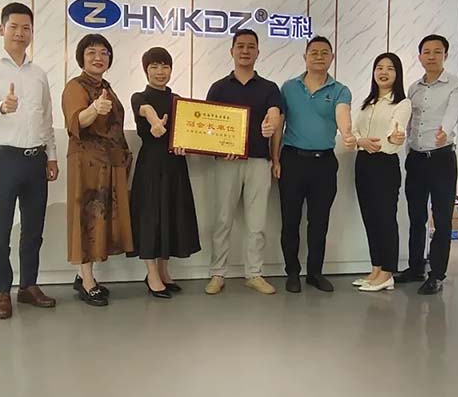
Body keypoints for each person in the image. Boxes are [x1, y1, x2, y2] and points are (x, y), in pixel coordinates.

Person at [0, 2, 59, 319]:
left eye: (26, 28)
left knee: (33, 229)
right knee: (0, 229)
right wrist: (1, 107)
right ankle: (1, 291)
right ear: (1, 29)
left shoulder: (39, 74)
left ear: (32, 32)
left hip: (35, 159)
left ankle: (28, 286)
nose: (20, 33)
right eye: (14, 27)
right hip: (3, 159)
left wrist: (51, 156)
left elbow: (46, 118)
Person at [272, 36, 356, 293]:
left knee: (319, 222)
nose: (319, 56)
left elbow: (343, 115)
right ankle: (292, 273)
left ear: (332, 58)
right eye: (314, 52)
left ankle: (315, 273)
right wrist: (275, 158)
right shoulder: (289, 88)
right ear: (305, 57)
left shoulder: (340, 90)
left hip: (324, 164)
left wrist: (348, 133)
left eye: (324, 52)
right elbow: (279, 125)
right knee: (290, 221)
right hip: (292, 161)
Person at [204, 29, 282, 295]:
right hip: (227, 162)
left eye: (251, 46)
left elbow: (275, 115)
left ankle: (254, 274)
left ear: (258, 52)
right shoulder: (219, 87)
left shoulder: (269, 88)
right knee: (222, 219)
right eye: (240, 46)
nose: (245, 51)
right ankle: (217, 273)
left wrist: (272, 129)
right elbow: (208, 126)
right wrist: (218, 145)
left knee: (257, 223)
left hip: (259, 161)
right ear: (232, 51)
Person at [62, 34, 133, 307]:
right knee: (86, 217)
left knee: (102, 219)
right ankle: (86, 280)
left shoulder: (107, 87)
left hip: (110, 162)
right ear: (81, 57)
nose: (98, 57)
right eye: (91, 52)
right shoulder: (75, 86)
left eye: (104, 53)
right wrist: (93, 108)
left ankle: (85, 276)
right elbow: (76, 121)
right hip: (87, 164)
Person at [395, 35, 458, 295]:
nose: (432, 56)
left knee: (442, 218)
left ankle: (436, 274)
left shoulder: (457, 85)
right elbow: (408, 122)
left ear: (445, 55)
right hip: (416, 159)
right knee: (416, 217)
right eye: (426, 52)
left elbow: (454, 112)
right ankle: (416, 267)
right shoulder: (413, 88)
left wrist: (444, 130)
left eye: (437, 51)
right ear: (419, 57)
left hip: (441, 159)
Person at [129, 47, 201, 298]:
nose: (160, 72)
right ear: (145, 70)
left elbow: (189, 131)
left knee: (170, 215)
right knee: (151, 217)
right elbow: (146, 109)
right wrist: (154, 123)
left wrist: (187, 144)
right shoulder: (139, 97)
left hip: (174, 165)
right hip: (151, 165)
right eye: (154, 67)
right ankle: (151, 275)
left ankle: (163, 270)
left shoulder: (178, 100)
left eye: (165, 67)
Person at [352, 52, 412, 293]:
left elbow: (396, 130)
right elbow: (355, 130)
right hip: (363, 162)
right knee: (370, 218)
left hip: (385, 164)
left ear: (398, 74)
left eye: (390, 68)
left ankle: (387, 272)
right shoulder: (368, 103)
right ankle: (376, 269)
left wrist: (393, 138)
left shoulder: (402, 103)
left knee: (385, 219)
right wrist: (360, 141)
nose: (383, 72)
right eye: (379, 67)